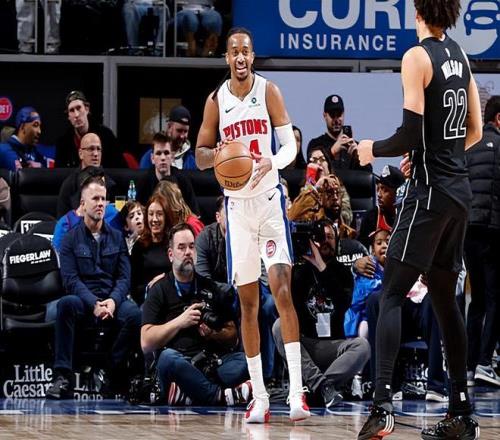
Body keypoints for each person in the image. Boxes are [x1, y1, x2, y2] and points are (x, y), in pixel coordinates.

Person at [356, 1, 483, 438]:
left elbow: (410, 132)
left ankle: (381, 406)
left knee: (391, 292)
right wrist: (431, 154)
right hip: (459, 194)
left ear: (418, 12)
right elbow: (474, 131)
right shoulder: (460, 55)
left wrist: (372, 149)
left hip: (429, 196)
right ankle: (461, 414)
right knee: (446, 302)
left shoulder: (417, 56)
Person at [195, 27, 309, 422]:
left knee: (282, 292)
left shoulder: (268, 91)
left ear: (253, 56)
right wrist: (219, 155)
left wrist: (270, 161)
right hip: (238, 210)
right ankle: (259, 397)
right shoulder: (216, 100)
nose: (241, 57)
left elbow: (291, 146)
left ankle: (296, 393)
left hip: (269, 203)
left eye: (246, 50)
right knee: (247, 304)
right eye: (234, 52)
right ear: (227, 58)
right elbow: (199, 155)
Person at [46, 176, 142, 399]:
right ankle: (62, 377)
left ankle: (109, 372)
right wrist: (94, 304)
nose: (100, 203)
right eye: (95, 199)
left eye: (103, 199)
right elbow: (70, 280)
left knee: (134, 314)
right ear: (83, 203)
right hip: (84, 301)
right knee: (66, 304)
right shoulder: (70, 239)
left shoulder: (117, 237)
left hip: (111, 300)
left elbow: (124, 278)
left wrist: (113, 301)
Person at [141, 223, 250, 406]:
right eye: (181, 247)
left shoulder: (210, 287)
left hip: (208, 363)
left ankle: (188, 392)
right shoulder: (158, 290)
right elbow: (146, 342)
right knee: (167, 359)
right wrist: (180, 322)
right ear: (170, 254)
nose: (188, 252)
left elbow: (233, 337)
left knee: (245, 361)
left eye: (191, 247)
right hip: (177, 361)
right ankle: (218, 396)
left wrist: (213, 334)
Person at [273, 218, 369, 409]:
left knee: (362, 346)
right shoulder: (299, 272)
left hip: (332, 346)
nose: (325, 241)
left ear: (337, 241)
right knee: (279, 325)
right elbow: (286, 306)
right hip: (305, 345)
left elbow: (342, 303)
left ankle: (315, 390)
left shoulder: (343, 273)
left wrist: (322, 268)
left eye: (330, 237)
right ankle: (323, 387)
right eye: (320, 237)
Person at [464, 95, 500, 387]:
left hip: (468, 231)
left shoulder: (468, 144)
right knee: (494, 298)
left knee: (475, 300)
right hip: (492, 231)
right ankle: (485, 363)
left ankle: (469, 364)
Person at [56, 90, 126, 168]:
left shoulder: (106, 136)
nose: (76, 115)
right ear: (68, 116)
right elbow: (59, 173)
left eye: (79, 108)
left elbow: (120, 171)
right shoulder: (63, 143)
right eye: (72, 110)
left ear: (87, 109)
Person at [136, 132, 199, 215]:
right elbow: (137, 212)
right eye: (158, 153)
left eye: (166, 153)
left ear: (172, 157)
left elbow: (195, 214)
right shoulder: (144, 182)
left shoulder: (183, 180)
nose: (163, 158)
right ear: (152, 158)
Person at [56, 135, 117, 218]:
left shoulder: (110, 184)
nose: (95, 154)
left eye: (98, 149)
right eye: (91, 149)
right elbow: (62, 220)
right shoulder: (69, 185)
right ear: (80, 154)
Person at [306, 94, 371, 172]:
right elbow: (311, 168)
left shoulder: (355, 147)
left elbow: (369, 174)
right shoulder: (315, 144)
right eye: (332, 115)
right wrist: (332, 151)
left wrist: (358, 158)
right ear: (325, 116)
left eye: (339, 115)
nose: (336, 120)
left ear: (343, 114)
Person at [130, 194, 172, 306]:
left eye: (159, 214)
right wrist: (151, 288)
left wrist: (165, 279)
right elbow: (134, 286)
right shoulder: (139, 246)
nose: (154, 219)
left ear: (166, 216)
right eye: (151, 214)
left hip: (173, 297)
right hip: (148, 300)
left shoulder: (174, 242)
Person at [358, 165, 405, 249]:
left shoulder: (408, 216)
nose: (379, 194)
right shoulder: (371, 217)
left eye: (385, 190)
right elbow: (362, 250)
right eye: (378, 188)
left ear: (398, 193)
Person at [0, 106, 47, 170]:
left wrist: (41, 168)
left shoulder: (36, 153)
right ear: (23, 127)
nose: (39, 131)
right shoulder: (3, 150)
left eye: (39, 126)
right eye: (35, 125)